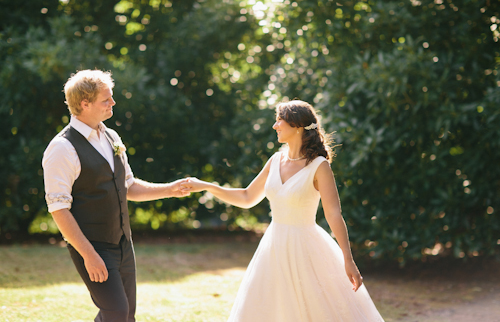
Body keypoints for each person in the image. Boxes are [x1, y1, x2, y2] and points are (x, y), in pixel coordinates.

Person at [181, 100, 384, 321]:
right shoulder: (275, 159)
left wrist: (348, 258)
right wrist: (208, 186)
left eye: (280, 120)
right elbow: (248, 197)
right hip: (273, 247)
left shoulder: (319, 166)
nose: (275, 125)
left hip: (307, 248)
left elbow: (334, 214)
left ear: (297, 126)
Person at [42, 69, 189, 322]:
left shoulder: (111, 136)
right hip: (92, 246)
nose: (113, 103)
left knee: (126, 314)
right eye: (106, 99)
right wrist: (89, 255)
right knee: (116, 313)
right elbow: (58, 209)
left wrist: (170, 189)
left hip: (123, 243)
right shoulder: (61, 148)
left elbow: (128, 186)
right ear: (84, 104)